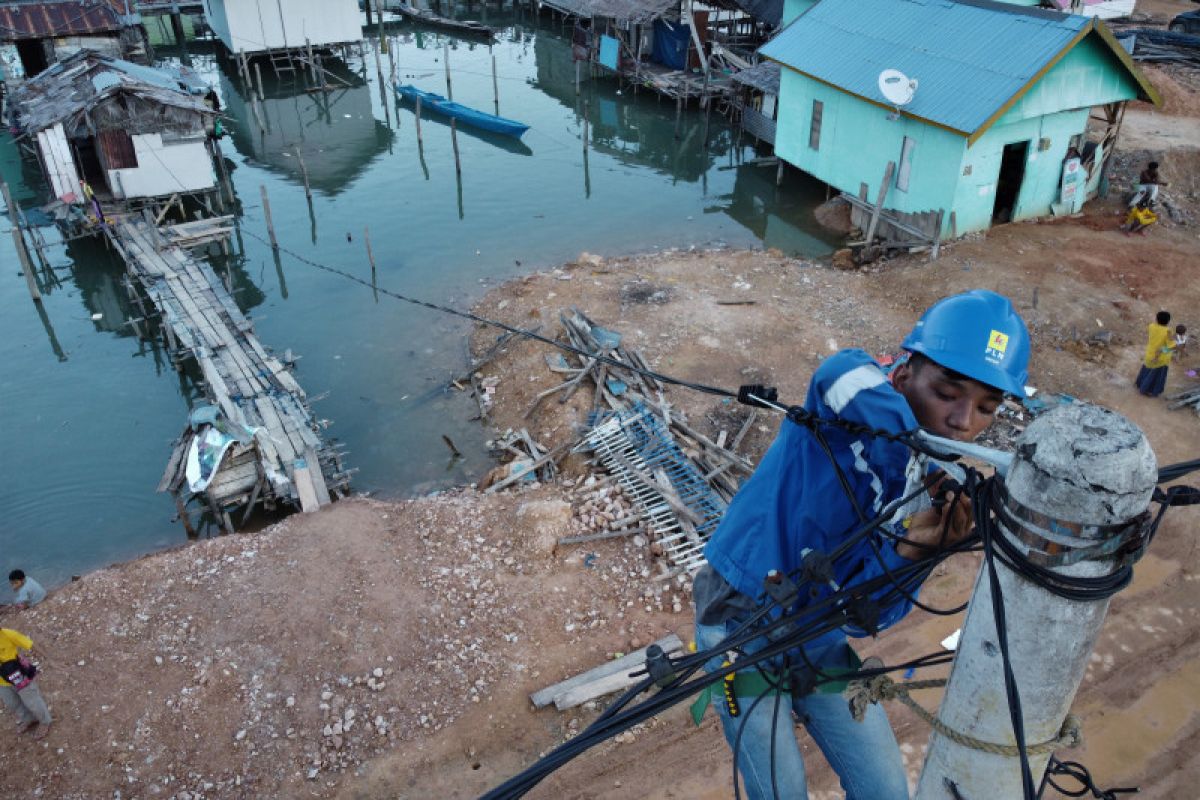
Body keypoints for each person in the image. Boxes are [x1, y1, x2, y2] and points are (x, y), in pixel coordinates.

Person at [693, 289, 1031, 800]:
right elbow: (840, 375)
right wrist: (916, 455)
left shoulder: (928, 491)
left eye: (985, 407)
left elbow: (858, 616)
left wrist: (918, 554)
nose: (963, 422)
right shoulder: (850, 395)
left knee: (887, 792)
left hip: (818, 633)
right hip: (739, 618)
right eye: (947, 392)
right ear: (903, 374)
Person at [0, 627, 50, 739]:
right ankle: (29, 719)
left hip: (18, 675)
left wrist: (50, 660)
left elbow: (30, 644)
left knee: (32, 700)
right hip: (2, 682)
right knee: (13, 703)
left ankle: (44, 721)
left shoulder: (8, 634)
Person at [1135, 311, 1175, 398]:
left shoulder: (1151, 326)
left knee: (1146, 370)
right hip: (1161, 358)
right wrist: (1162, 350)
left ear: (1156, 319)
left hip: (1149, 354)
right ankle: (1147, 391)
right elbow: (1171, 347)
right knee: (1156, 375)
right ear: (1168, 321)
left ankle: (1140, 384)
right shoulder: (1168, 332)